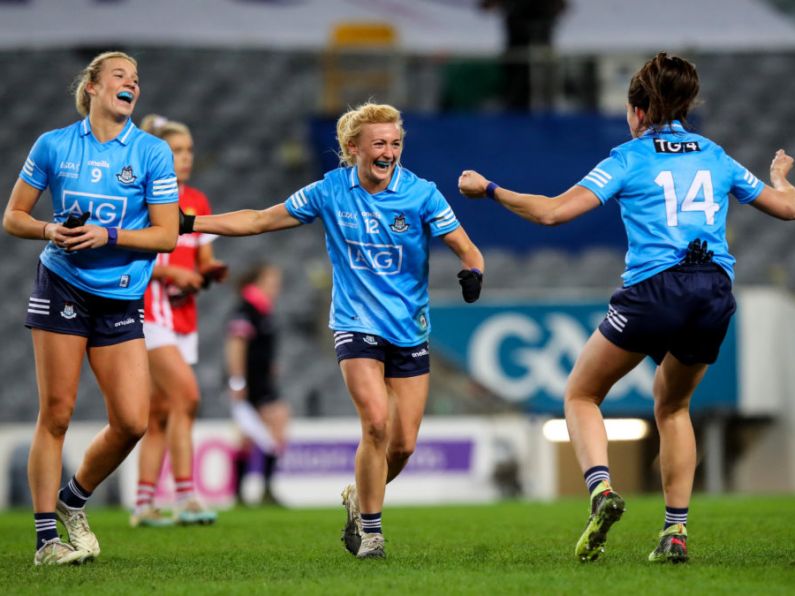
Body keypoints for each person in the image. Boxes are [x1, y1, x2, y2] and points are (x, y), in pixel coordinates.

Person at [458, 52, 795, 563]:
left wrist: (489, 189)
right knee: (674, 406)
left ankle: (599, 489)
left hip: (654, 290)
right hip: (713, 290)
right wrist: (782, 177)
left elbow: (552, 213)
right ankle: (674, 533)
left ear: (637, 110)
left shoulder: (627, 157)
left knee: (581, 394)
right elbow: (788, 209)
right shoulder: (715, 155)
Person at [180, 101, 485, 558]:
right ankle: (372, 532)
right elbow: (261, 219)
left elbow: (467, 248)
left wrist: (472, 271)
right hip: (355, 323)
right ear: (352, 148)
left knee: (401, 446)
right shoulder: (329, 191)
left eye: (396, 143)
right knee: (376, 422)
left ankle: (359, 500)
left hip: (409, 330)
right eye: (379, 143)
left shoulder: (422, 194)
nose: (389, 151)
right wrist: (190, 224)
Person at [2, 51, 179, 565]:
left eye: (137, 80)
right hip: (62, 283)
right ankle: (44, 542)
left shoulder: (151, 152)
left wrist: (110, 234)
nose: (132, 85)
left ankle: (71, 499)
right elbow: (12, 216)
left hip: (120, 294)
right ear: (93, 88)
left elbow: (166, 235)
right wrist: (48, 229)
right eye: (121, 76)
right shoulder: (54, 145)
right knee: (55, 413)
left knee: (132, 421)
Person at [130, 115, 227, 528]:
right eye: (175, 151)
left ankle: (144, 504)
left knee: (161, 414)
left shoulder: (197, 202)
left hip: (184, 314)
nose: (185, 158)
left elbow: (202, 258)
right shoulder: (140, 197)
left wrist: (209, 271)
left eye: (188, 151)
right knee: (187, 397)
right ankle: (186, 496)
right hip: (150, 311)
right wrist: (170, 274)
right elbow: (127, 253)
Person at [225, 262, 289, 506]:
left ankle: (252, 491)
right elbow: (236, 345)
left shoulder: (263, 310)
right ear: (257, 283)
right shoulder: (246, 309)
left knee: (255, 434)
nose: (276, 287)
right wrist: (238, 381)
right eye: (271, 281)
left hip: (261, 380)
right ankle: (259, 490)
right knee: (267, 428)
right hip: (249, 383)